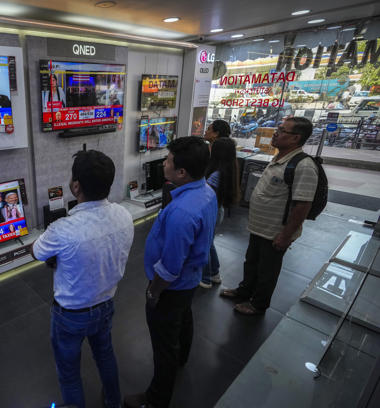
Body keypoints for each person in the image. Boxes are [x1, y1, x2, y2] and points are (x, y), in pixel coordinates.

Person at [32, 150, 134, 408]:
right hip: (106, 303)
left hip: (70, 315)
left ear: (76, 185)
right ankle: (113, 402)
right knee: (105, 355)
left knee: (69, 374)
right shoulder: (124, 215)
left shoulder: (63, 229)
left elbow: (36, 251)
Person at [125, 137, 217, 408]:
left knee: (163, 344)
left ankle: (155, 399)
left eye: (167, 161)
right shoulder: (206, 191)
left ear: (181, 172)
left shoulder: (182, 212)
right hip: (189, 281)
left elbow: (171, 265)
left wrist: (154, 291)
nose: (163, 164)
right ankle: (181, 359)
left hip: (171, 286)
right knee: (183, 320)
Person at [220, 117, 319, 315]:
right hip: (259, 227)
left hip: (276, 232)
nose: (275, 132)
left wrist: (286, 234)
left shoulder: (304, 166)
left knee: (267, 270)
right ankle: (244, 291)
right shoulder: (280, 158)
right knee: (252, 262)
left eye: (282, 130)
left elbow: (303, 205)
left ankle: (258, 304)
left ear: (295, 138)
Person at [199, 137, 240, 288]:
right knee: (209, 243)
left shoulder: (216, 174)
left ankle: (205, 278)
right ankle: (214, 273)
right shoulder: (229, 169)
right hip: (218, 211)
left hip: (212, 213)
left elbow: (207, 196)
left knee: (204, 244)